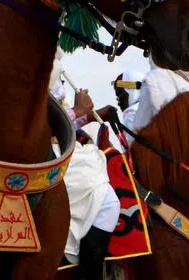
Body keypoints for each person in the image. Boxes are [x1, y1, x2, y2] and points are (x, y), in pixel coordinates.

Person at [49, 54, 119, 277]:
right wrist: (77, 111)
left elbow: (61, 120)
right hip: (47, 153)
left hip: (63, 147)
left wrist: (86, 117)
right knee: (108, 202)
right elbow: (44, 125)